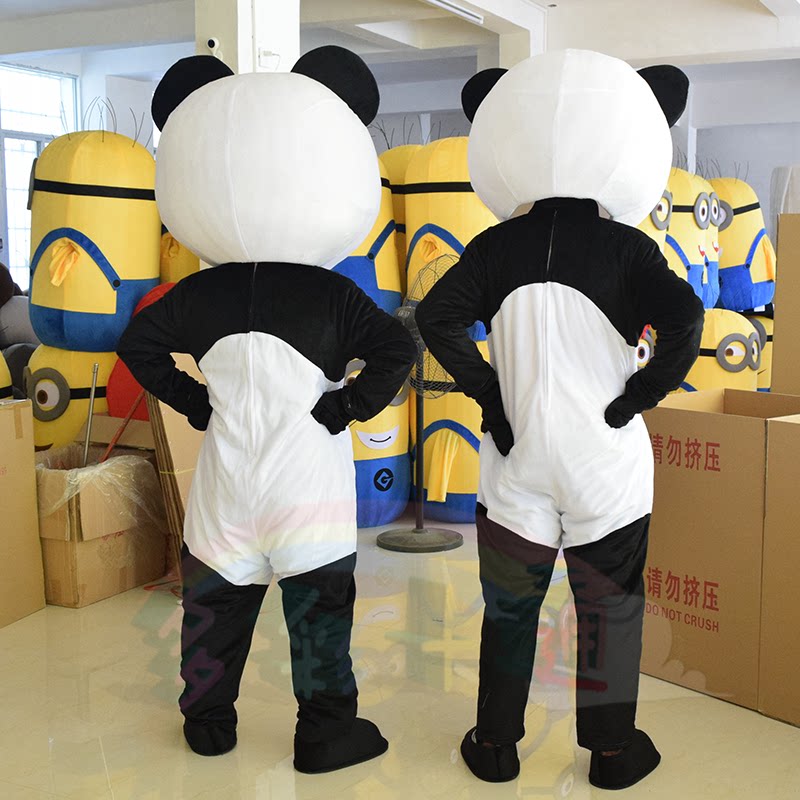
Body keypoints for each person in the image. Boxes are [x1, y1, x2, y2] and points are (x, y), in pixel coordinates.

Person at [118, 47, 416, 773]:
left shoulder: (198, 292)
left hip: (226, 484)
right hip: (308, 484)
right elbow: (397, 351)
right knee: (319, 620)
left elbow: (138, 345)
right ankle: (324, 734)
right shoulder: (332, 293)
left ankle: (207, 723)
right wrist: (345, 407)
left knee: (213, 614)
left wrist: (196, 402)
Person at [416, 50, 704, 790]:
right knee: (610, 609)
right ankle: (611, 753)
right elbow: (685, 319)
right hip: (604, 460)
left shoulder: (493, 246)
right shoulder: (628, 248)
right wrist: (639, 397)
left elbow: (439, 318)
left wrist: (490, 396)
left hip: (515, 458)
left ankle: (494, 745)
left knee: (510, 609)